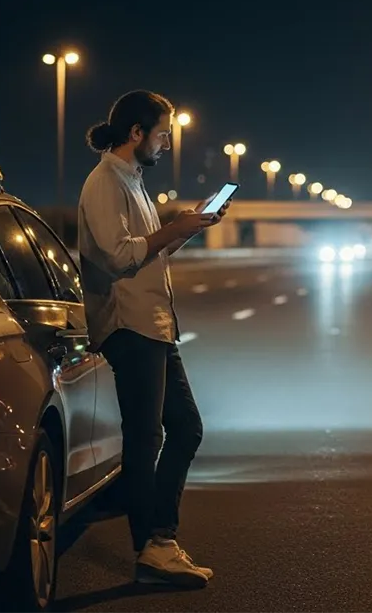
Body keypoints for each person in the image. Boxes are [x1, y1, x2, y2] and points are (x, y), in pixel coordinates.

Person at [78, 89, 229, 588]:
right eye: (162, 133)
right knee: (147, 439)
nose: (166, 143)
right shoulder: (105, 182)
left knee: (184, 428)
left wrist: (187, 227)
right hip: (129, 325)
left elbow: (149, 255)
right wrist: (173, 228)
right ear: (137, 133)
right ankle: (152, 547)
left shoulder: (134, 181)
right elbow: (119, 257)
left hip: (155, 326)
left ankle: (158, 540)